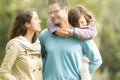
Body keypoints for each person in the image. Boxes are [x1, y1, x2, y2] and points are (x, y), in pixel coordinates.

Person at [39, 0, 102, 80]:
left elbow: (96, 60)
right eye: (50, 13)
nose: (52, 15)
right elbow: (38, 59)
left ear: (66, 10)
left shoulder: (81, 34)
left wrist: (80, 76)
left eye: (55, 11)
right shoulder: (44, 35)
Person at [0, 8, 43, 80]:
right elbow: (4, 71)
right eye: (36, 19)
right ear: (27, 24)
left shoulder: (38, 44)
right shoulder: (16, 45)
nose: (40, 21)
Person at [68, 5, 97, 80]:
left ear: (85, 17)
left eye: (82, 22)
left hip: (85, 60)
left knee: (84, 70)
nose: (81, 26)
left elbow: (92, 33)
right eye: (77, 24)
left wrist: (73, 31)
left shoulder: (91, 26)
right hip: (76, 60)